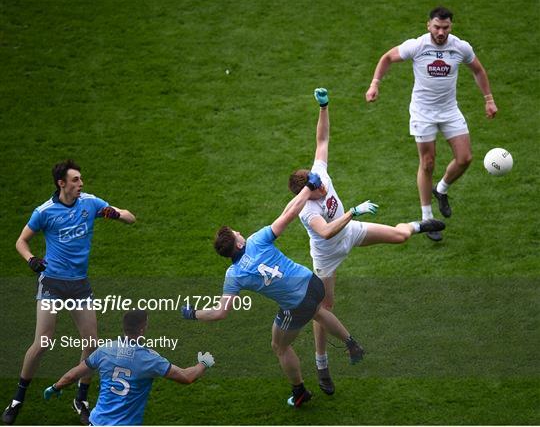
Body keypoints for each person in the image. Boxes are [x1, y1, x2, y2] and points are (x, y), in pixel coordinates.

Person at [288, 88, 445, 395]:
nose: (321, 188)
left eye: (319, 183)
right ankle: (322, 365)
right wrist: (353, 212)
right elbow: (326, 232)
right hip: (327, 256)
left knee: (399, 237)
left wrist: (324, 107)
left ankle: (419, 224)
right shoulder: (306, 211)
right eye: (315, 188)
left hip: (351, 232)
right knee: (324, 307)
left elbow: (322, 140)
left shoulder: (318, 173)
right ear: (304, 194)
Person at [181, 173, 365, 408]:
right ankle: (351, 343)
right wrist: (307, 189)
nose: (240, 233)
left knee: (280, 346)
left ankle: (299, 392)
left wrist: (192, 313)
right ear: (238, 244)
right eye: (237, 233)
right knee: (317, 310)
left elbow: (220, 313)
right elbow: (289, 214)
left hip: (296, 305)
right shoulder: (258, 240)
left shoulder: (233, 276)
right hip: (312, 282)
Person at [2, 159, 136, 425]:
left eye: (81, 179)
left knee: (91, 344)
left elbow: (130, 217)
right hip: (52, 283)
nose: (81, 184)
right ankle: (17, 399)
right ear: (61, 183)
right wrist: (31, 259)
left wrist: (116, 214)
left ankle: (81, 398)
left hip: (79, 285)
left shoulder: (90, 202)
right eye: (75, 180)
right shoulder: (45, 211)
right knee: (42, 343)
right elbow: (21, 241)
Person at [365, 6, 498, 241]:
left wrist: (489, 99)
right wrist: (375, 84)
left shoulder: (460, 47)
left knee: (465, 158)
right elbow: (387, 57)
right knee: (427, 163)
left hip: (449, 111)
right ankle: (427, 219)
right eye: (436, 27)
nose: (440, 32)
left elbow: (477, 70)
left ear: (451, 27)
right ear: (428, 25)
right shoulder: (417, 46)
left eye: (445, 28)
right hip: (422, 113)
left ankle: (442, 189)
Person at [42, 310, 214, 425]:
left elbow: (73, 375)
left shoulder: (105, 350)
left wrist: (55, 387)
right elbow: (186, 377)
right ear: (142, 328)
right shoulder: (150, 359)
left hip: (97, 422)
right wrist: (203, 364)